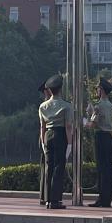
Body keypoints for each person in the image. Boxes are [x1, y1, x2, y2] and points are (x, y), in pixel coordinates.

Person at [38, 73, 72, 210]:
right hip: (60, 134)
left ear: (50, 90)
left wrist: (42, 141)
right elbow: (68, 126)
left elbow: (42, 126)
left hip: (47, 135)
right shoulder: (66, 106)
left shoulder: (43, 106)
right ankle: (55, 200)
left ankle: (47, 199)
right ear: (60, 89)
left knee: (49, 167)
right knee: (59, 167)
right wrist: (70, 144)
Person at [85, 77, 112, 208]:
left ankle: (101, 199)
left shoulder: (98, 106)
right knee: (109, 169)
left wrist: (86, 117)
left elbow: (92, 125)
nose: (96, 90)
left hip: (101, 137)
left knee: (101, 169)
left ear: (101, 90)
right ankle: (107, 199)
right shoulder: (110, 106)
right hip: (109, 137)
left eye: (98, 88)